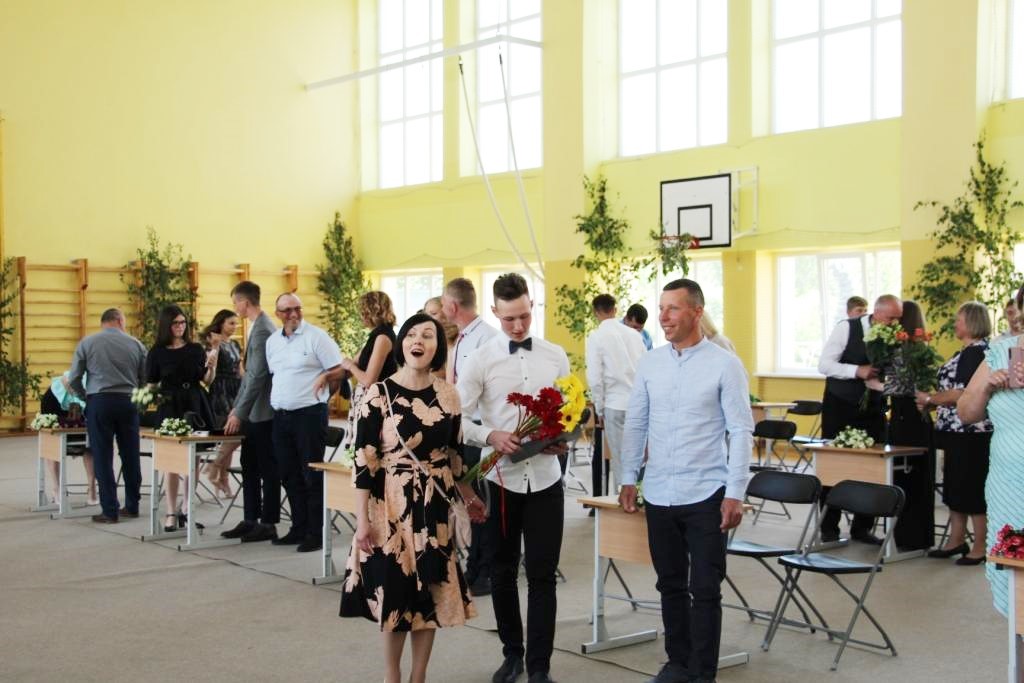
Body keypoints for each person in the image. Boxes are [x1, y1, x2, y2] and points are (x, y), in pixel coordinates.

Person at [619, 279, 752, 683]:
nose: (663, 317)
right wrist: (628, 476)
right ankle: (678, 663)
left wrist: (736, 492)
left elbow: (741, 430)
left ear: (696, 312)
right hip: (659, 492)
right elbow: (636, 422)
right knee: (670, 584)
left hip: (707, 493)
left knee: (706, 589)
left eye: (673, 308)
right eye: (661, 308)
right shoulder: (650, 363)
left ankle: (702, 673)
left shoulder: (725, 364)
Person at [339, 313, 483, 683]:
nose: (418, 340)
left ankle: (418, 677)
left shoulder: (448, 394)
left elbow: (454, 456)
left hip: (434, 507)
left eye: (428, 335)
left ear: (438, 348)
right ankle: (393, 676)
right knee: (396, 592)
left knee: (429, 596)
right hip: (390, 506)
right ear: (402, 343)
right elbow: (364, 461)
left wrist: (468, 496)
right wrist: (361, 522)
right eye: (412, 334)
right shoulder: (378, 394)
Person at [457, 273, 570, 683]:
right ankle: (512, 655)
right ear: (494, 312)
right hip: (500, 481)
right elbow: (455, 419)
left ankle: (540, 667)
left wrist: (561, 439)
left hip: (546, 480)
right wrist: (490, 435)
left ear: (531, 306)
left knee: (542, 576)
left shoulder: (555, 355)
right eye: (509, 319)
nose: (518, 326)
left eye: (524, 316)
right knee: (502, 572)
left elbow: (566, 412)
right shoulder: (479, 359)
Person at [958, 284, 1024, 616]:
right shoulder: (1000, 351)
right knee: (1013, 568)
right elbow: (966, 413)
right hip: (1007, 483)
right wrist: (986, 384)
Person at [816, 294, 903, 544]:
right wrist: (856, 371)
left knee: (873, 466)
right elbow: (825, 365)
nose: (895, 323)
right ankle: (829, 527)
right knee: (834, 465)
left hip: (873, 408)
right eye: (891, 318)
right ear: (877, 312)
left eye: (898, 318)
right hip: (840, 405)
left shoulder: (894, 335)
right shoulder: (846, 328)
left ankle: (862, 527)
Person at [266, 292, 344, 553]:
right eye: (287, 310)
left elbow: (339, 371)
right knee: (288, 474)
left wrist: (322, 398)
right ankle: (298, 527)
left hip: (309, 415)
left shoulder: (316, 337)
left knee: (311, 475)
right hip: (281, 416)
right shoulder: (272, 342)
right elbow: (276, 375)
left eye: (297, 308)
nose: (293, 314)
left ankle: (316, 532)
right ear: (278, 314)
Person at [917, 301, 992, 564]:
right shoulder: (968, 351)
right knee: (955, 487)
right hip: (957, 431)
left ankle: (980, 546)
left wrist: (929, 399)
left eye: (958, 319)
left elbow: (962, 393)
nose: (955, 324)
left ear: (971, 322)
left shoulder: (976, 353)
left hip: (970, 432)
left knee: (971, 488)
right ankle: (956, 539)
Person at [442, 276, 499, 597]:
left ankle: (484, 571)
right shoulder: (463, 338)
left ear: (452, 306)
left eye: (443, 304)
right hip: (462, 428)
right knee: (469, 502)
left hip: (479, 432)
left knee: (481, 504)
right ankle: (474, 567)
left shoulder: (486, 338)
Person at [67, 308, 147, 524]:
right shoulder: (137, 344)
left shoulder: (87, 343)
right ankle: (132, 505)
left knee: (102, 455)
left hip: (100, 401)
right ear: (120, 320)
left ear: (104, 321)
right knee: (130, 454)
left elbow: (74, 378)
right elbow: (145, 378)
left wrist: (86, 397)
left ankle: (110, 510)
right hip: (128, 402)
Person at [147, 304, 217, 532]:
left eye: (183, 322)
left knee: (193, 460)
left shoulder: (195, 349)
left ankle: (187, 508)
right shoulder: (157, 352)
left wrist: (212, 368)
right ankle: (170, 511)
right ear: (166, 325)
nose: (180, 327)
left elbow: (206, 380)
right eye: (175, 323)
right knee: (172, 461)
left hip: (195, 403)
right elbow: (151, 384)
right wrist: (147, 399)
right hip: (170, 405)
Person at [221, 281, 281, 544]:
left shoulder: (262, 330)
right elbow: (247, 376)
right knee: (250, 464)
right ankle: (250, 518)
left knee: (267, 467)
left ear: (244, 302)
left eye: (236, 302)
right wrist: (237, 407)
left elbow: (257, 376)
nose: (235, 307)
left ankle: (268, 522)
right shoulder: (257, 327)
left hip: (263, 411)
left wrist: (239, 413)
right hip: (252, 410)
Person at [878, 300, 935, 550]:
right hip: (915, 418)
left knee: (906, 478)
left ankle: (908, 536)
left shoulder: (906, 349)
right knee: (916, 479)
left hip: (906, 418)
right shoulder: (920, 346)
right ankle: (916, 536)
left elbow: (901, 386)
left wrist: (876, 385)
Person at [585, 293, 646, 492]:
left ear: (595, 313)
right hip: (638, 403)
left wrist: (599, 408)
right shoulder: (634, 335)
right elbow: (646, 368)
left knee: (620, 461)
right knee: (640, 458)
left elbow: (595, 377)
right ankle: (641, 499)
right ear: (615, 309)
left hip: (614, 404)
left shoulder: (597, 337)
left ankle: (624, 501)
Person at [200, 309, 243, 498]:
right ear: (221, 323)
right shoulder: (211, 340)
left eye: (236, 323)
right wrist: (215, 346)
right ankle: (215, 469)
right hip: (220, 389)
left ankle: (221, 477)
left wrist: (248, 388)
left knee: (232, 434)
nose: (235, 327)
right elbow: (210, 367)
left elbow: (240, 370)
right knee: (232, 432)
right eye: (231, 323)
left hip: (236, 389)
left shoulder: (235, 344)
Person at [39, 372, 96, 505]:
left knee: (89, 441)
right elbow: (69, 378)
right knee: (53, 441)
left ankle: (92, 488)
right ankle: (57, 489)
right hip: (56, 399)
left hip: (84, 398)